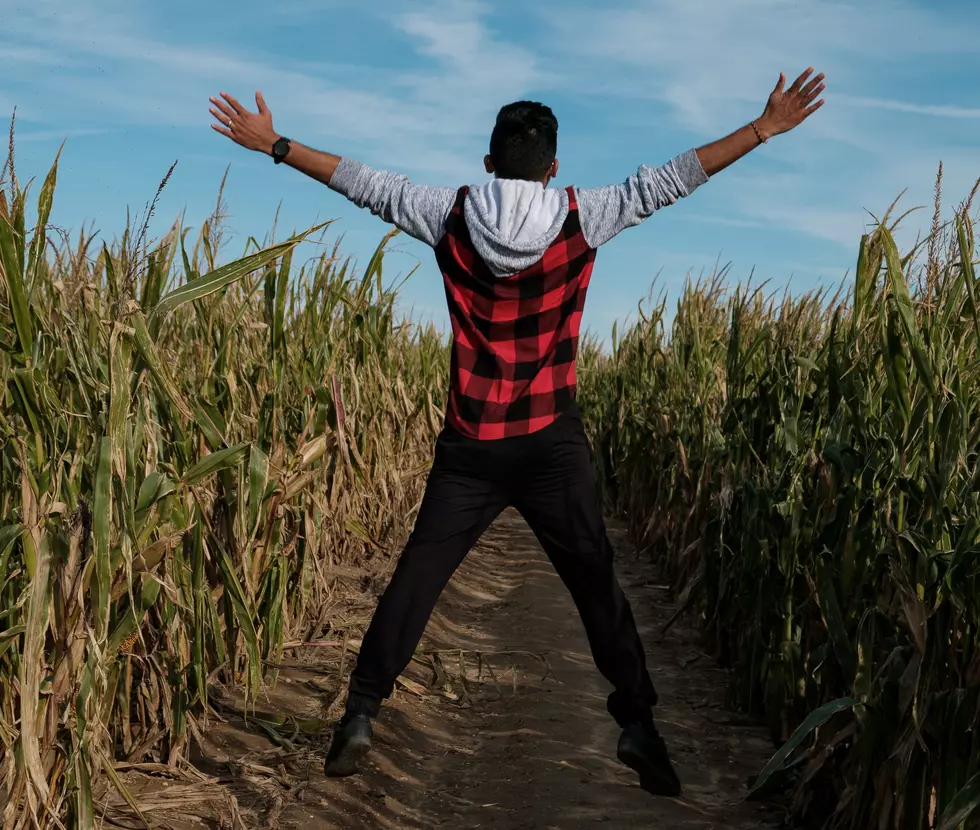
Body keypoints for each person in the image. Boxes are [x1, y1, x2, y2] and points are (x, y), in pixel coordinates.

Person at [209, 67, 825, 798]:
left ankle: (362, 711)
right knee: (596, 578)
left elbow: (359, 180)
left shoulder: (446, 211)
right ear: (553, 168)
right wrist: (762, 128)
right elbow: (674, 178)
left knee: (417, 577)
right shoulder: (583, 213)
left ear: (489, 162)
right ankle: (638, 724)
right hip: (548, 444)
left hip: (472, 444)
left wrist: (274, 144)